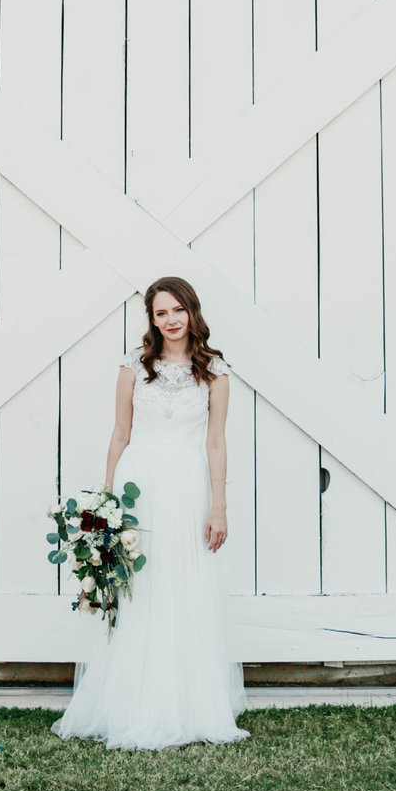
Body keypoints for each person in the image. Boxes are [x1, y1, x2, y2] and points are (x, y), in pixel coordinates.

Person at [53, 276, 249, 750]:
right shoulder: (133, 368)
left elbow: (216, 441)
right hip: (139, 486)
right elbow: (120, 434)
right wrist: (104, 500)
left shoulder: (215, 372)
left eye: (178, 310)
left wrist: (218, 505)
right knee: (139, 589)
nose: (171, 320)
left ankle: (187, 703)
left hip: (186, 485)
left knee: (184, 586)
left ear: (192, 312)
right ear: (152, 319)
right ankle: (131, 703)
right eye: (161, 313)